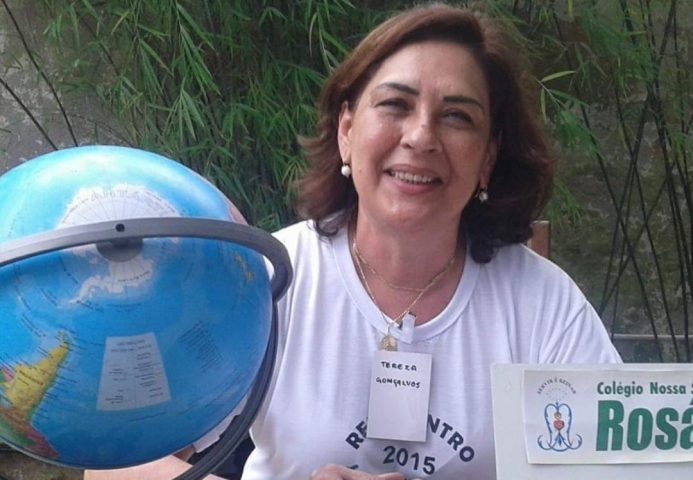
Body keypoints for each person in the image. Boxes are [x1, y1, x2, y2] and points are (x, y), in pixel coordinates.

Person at [85, 2, 621, 480]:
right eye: (395, 105)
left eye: (457, 116)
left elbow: (617, 469)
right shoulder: (264, 282)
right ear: (346, 131)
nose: (421, 136)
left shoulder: (543, 305)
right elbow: (115, 463)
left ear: (488, 157)